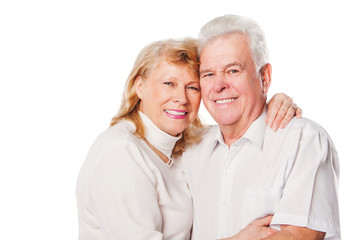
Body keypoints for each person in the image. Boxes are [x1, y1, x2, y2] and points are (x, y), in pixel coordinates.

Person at [76, 37, 299, 239]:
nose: (181, 98)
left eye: (192, 87)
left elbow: (240, 126)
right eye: (168, 84)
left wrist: (271, 102)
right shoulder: (120, 153)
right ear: (140, 87)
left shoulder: (185, 144)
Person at [182, 14, 340, 240]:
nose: (218, 85)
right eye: (208, 74)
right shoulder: (192, 150)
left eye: (233, 70)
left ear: (264, 77)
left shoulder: (303, 140)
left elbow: (300, 236)